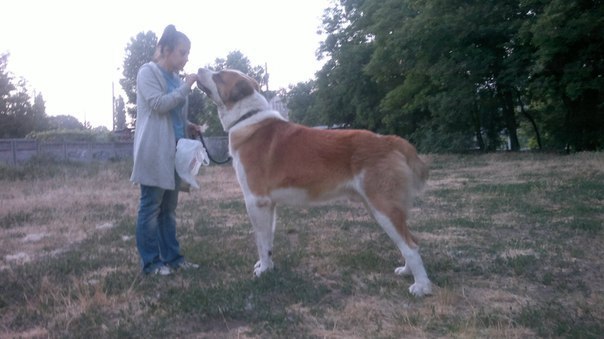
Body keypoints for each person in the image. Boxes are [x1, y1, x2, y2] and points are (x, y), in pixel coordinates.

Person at [130, 24, 201, 276]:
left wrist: (190, 125)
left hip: (175, 154)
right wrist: (186, 88)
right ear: (166, 50)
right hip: (155, 151)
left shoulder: (176, 80)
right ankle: (150, 264)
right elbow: (159, 105)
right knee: (150, 208)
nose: (186, 58)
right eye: (182, 52)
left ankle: (172, 258)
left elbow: (174, 113)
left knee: (168, 210)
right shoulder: (147, 72)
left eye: (187, 53)